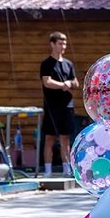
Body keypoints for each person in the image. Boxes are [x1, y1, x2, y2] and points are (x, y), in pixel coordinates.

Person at [39, 32, 79, 177]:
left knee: (65, 138)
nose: (63, 46)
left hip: (67, 105)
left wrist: (70, 83)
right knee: (49, 138)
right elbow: (47, 82)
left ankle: (66, 170)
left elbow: (75, 82)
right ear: (52, 44)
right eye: (60, 43)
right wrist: (62, 85)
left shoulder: (68, 64)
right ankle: (48, 171)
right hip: (52, 106)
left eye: (64, 43)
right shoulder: (46, 64)